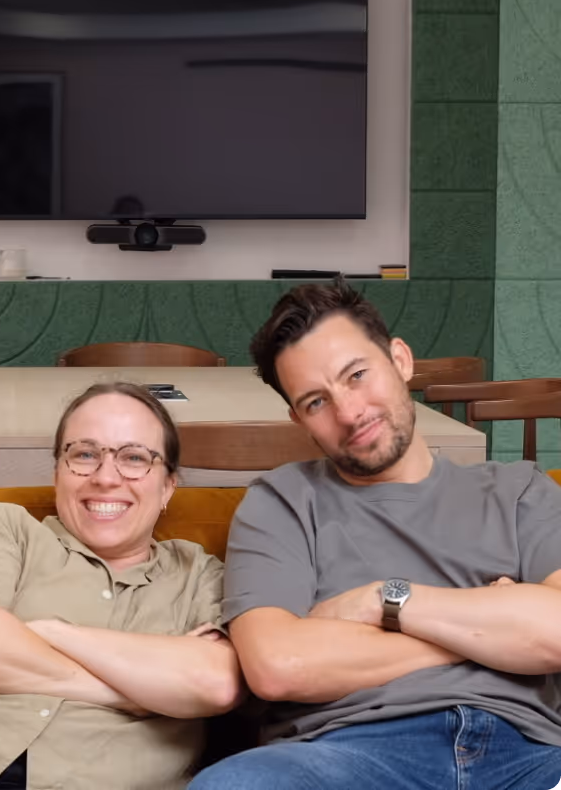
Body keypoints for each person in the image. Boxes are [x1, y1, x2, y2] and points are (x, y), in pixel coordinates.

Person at [190, 280, 561, 789]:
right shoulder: (281, 503)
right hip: (350, 756)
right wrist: (485, 632)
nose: (349, 412)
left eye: (357, 375)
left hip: (529, 755)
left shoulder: (519, 491)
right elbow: (278, 666)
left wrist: (384, 602)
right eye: (317, 402)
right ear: (299, 419)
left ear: (401, 360)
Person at [0, 382, 242, 790]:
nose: (106, 477)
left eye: (134, 458)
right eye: (84, 455)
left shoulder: (200, 575)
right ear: (57, 473)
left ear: (168, 486)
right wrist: (132, 692)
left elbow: (216, 683)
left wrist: (50, 632)